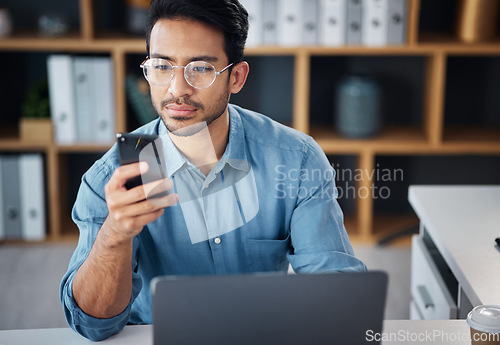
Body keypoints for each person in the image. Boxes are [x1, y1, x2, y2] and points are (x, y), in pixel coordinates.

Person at [60, 0, 366, 341]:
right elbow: (93, 324)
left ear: (236, 77)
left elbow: (338, 292)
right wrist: (115, 234)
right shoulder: (114, 175)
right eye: (162, 66)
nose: (177, 89)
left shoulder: (296, 159)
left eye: (201, 69)